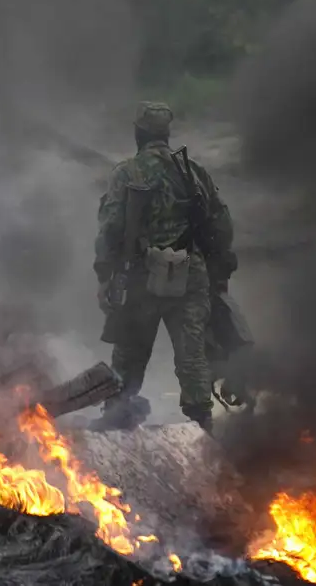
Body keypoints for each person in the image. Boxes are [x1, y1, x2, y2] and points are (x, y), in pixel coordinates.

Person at [91, 101, 236, 432]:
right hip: (189, 273)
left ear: (138, 133)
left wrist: (104, 275)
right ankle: (202, 423)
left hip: (142, 274)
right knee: (192, 352)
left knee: (129, 351)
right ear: (166, 134)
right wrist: (217, 267)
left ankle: (116, 417)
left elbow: (110, 228)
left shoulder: (127, 173)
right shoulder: (193, 172)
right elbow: (222, 225)